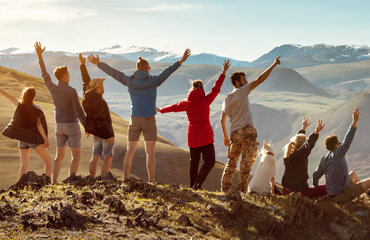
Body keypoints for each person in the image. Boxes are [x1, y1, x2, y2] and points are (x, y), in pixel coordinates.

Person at [88, 49, 191, 182]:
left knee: (130, 152)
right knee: (150, 152)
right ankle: (151, 180)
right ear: (146, 68)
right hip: (149, 120)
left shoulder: (129, 80)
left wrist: (99, 63)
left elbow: (113, 73)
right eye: (149, 67)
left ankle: (125, 179)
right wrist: (180, 61)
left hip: (134, 119)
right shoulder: (154, 80)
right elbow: (168, 71)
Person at [157, 59, 231, 190]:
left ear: (192, 89)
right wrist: (223, 72)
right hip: (205, 137)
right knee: (210, 162)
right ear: (202, 89)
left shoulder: (186, 102)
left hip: (192, 136)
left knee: (194, 163)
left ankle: (192, 187)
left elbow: (173, 107)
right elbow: (216, 88)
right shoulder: (206, 100)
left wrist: (161, 109)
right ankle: (197, 185)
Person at [220, 56, 281, 193]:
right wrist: (273, 65)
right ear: (237, 83)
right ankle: (241, 191)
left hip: (234, 133)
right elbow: (259, 79)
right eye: (244, 79)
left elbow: (222, 119)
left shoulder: (227, 99)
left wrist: (225, 137)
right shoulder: (242, 91)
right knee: (246, 164)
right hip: (247, 131)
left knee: (231, 162)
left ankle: (225, 187)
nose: (246, 81)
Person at [34, 42, 86, 182]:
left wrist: (40, 56)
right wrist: (87, 126)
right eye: (68, 74)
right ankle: (71, 181)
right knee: (76, 155)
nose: (69, 76)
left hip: (60, 126)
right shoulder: (71, 91)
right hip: (72, 126)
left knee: (59, 156)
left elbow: (44, 74)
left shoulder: (52, 88)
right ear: (63, 77)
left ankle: (54, 181)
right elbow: (78, 110)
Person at [313, 107, 370, 203]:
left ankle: (367, 194)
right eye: (339, 143)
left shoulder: (324, 159)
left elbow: (315, 176)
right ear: (336, 146)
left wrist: (316, 192)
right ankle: (367, 194)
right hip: (340, 195)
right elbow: (347, 140)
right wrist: (354, 122)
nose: (340, 144)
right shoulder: (338, 154)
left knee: (353, 174)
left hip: (334, 192)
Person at [1, 87, 52, 179]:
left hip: (22, 139)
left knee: (24, 166)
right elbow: (39, 125)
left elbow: (9, 96)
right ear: (34, 96)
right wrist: (45, 139)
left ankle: (21, 186)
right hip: (32, 139)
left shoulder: (20, 105)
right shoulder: (37, 108)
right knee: (48, 161)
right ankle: (47, 185)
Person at [79, 53, 115, 177]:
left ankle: (92, 179)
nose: (103, 86)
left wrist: (82, 66)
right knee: (108, 157)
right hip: (104, 133)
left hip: (95, 132)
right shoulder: (99, 101)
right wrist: (109, 135)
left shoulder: (87, 97)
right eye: (102, 84)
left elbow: (86, 82)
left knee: (95, 156)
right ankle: (105, 180)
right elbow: (102, 120)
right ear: (99, 87)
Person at [282, 117, 327, 197]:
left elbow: (295, 140)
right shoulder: (299, 155)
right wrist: (316, 132)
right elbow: (309, 145)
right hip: (300, 193)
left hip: (286, 191)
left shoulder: (289, 152)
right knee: (327, 187)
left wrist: (303, 128)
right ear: (301, 145)